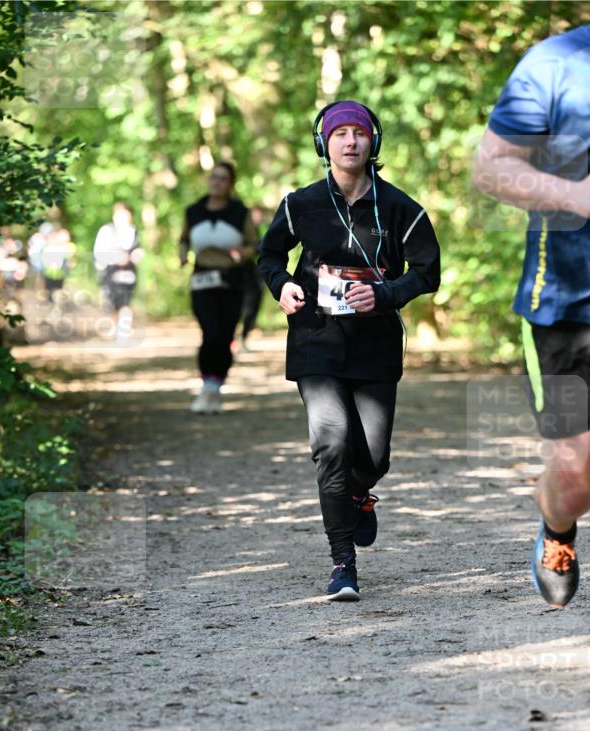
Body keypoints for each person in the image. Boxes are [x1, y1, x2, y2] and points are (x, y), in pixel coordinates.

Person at [473, 0, 590, 717]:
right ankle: (556, 529)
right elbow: (491, 166)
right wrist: (574, 195)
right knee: (574, 477)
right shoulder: (555, 62)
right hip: (567, 307)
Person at [258, 100, 440, 601]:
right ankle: (342, 563)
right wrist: (281, 286)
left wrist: (384, 294)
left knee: (374, 456)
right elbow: (270, 254)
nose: (350, 141)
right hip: (315, 341)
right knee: (331, 442)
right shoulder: (301, 203)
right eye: (340, 133)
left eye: (359, 132)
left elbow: (428, 272)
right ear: (325, 144)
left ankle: (360, 494)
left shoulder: (403, 208)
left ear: (372, 142)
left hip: (376, 344)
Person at [179, 162, 258, 413]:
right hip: (202, 279)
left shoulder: (239, 212)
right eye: (214, 177)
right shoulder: (193, 211)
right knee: (210, 333)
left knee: (225, 336)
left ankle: (215, 388)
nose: (217, 182)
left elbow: (255, 245)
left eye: (223, 179)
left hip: (231, 281)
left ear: (231, 184)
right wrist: (182, 255)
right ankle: (207, 387)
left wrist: (241, 254)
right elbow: (183, 240)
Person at [93, 203, 143, 340]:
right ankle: (115, 328)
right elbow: (99, 254)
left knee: (126, 301)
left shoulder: (133, 231)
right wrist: (116, 258)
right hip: (110, 271)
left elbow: (137, 251)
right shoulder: (106, 231)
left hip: (128, 272)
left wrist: (135, 256)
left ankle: (124, 330)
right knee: (112, 302)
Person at [237, 205, 267, 351]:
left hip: (250, 273)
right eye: (256, 215)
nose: (259, 218)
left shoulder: (255, 232)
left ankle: (242, 338)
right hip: (237, 273)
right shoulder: (240, 228)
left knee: (252, 305)